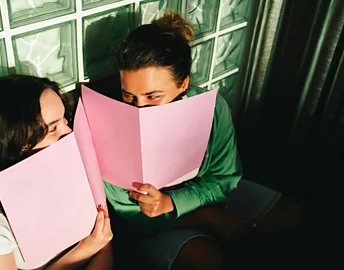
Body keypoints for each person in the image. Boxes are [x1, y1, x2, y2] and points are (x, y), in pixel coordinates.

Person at [103, 11, 300, 270]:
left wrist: (176, 202)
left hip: (208, 198)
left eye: (153, 96)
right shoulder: (106, 126)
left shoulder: (213, 108)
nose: (139, 108)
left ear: (183, 84)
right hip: (151, 226)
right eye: (128, 95)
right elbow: (133, 218)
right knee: (203, 260)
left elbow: (226, 178)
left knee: (288, 214)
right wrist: (203, 216)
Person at [0, 75, 113, 270]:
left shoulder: (74, 171)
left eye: (65, 120)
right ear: (15, 144)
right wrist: (84, 250)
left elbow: (105, 242)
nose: (69, 132)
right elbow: (99, 242)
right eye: (53, 129)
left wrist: (96, 246)